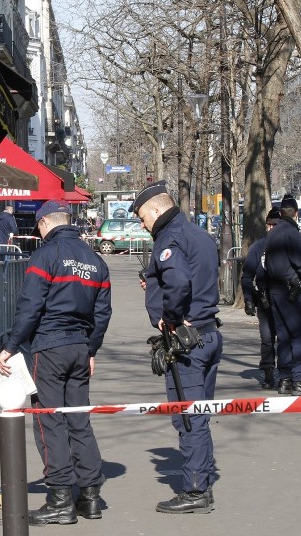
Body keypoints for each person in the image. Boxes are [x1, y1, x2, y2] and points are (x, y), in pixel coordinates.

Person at [0, 200, 112, 525]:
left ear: (45, 223)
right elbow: (102, 314)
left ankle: (60, 498)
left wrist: (10, 345)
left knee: (49, 422)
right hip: (79, 348)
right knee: (79, 420)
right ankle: (90, 497)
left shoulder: (45, 255)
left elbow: (30, 306)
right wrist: (91, 350)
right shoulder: (96, 261)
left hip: (48, 347)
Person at [135, 180, 222, 515]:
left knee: (189, 418)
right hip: (209, 334)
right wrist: (154, 280)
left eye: (143, 217)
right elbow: (193, 276)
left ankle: (196, 490)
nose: (143, 225)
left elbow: (180, 282)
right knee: (199, 414)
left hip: (188, 343)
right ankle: (200, 477)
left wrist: (169, 319)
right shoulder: (198, 235)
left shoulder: (168, 239)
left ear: (157, 210)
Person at [263, 194, 301, 395]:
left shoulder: (272, 234)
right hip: (292, 291)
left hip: (275, 292)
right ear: (296, 213)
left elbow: (268, 265)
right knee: (299, 335)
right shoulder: (292, 233)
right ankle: (299, 379)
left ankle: (284, 379)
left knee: (283, 337)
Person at [240, 208, 281, 389]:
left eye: (276, 225)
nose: (272, 228)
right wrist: (249, 298)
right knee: (267, 338)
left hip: (285, 300)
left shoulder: (288, 245)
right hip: (264, 300)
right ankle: (268, 371)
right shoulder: (258, 247)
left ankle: (286, 374)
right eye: (270, 225)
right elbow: (247, 275)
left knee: (285, 339)